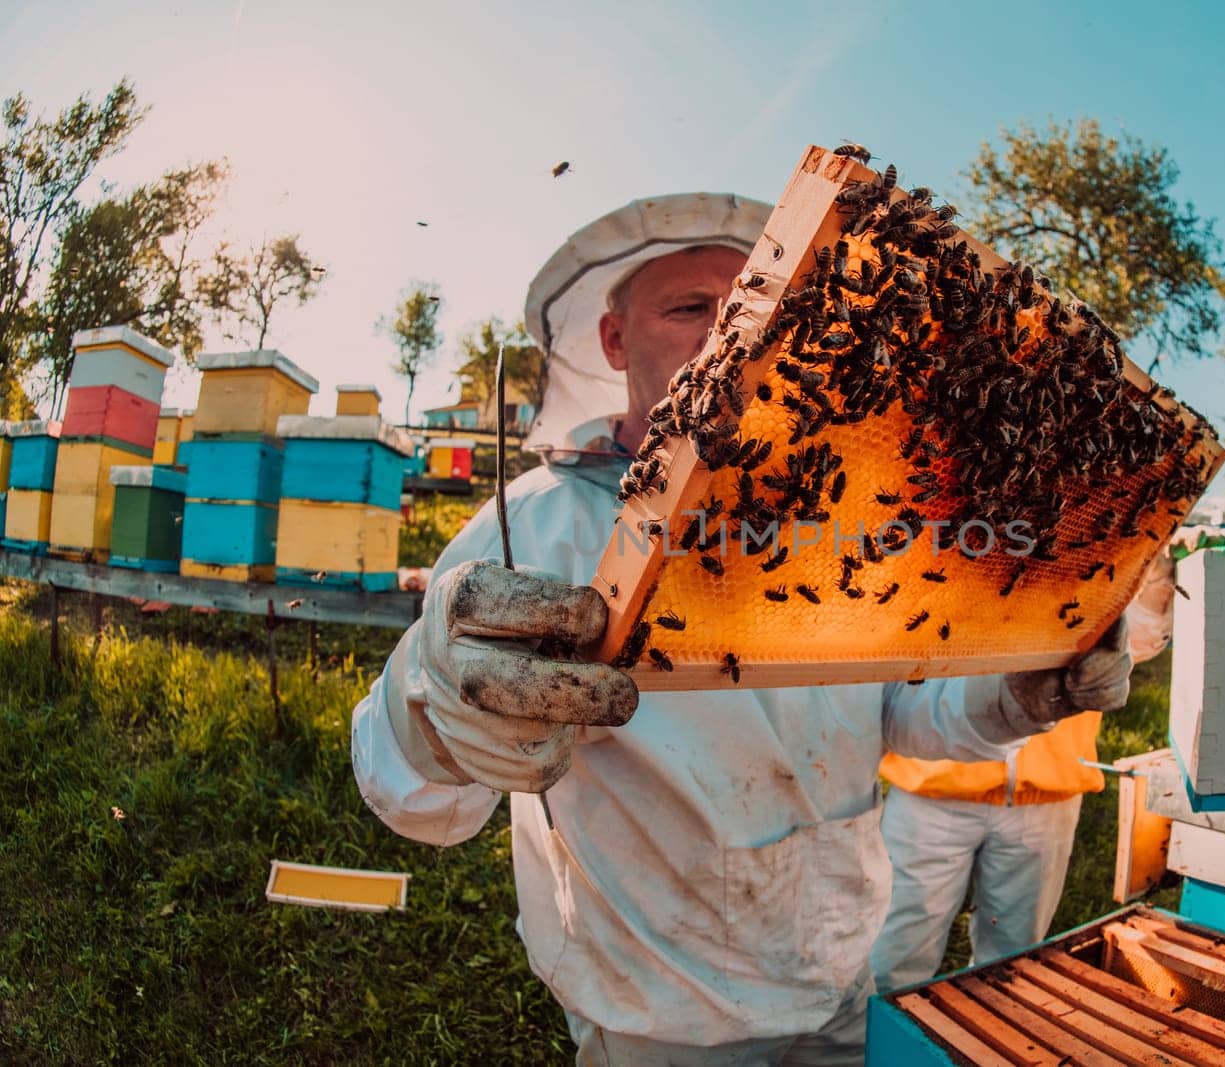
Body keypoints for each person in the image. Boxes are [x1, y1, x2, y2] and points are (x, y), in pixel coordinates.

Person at [351, 192, 1135, 1065]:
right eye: (690, 308)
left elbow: (905, 716)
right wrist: (432, 704)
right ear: (615, 341)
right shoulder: (538, 523)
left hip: (835, 976)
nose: (731, 336)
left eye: (753, 311)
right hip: (654, 1015)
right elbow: (408, 794)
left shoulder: (845, 522)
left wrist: (1020, 692)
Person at [870, 555, 1177, 992]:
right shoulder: (943, 541)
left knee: (1011, 960)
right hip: (932, 787)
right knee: (896, 950)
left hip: (1045, 796)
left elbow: (1140, 639)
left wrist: (1153, 574)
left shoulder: (1093, 545)